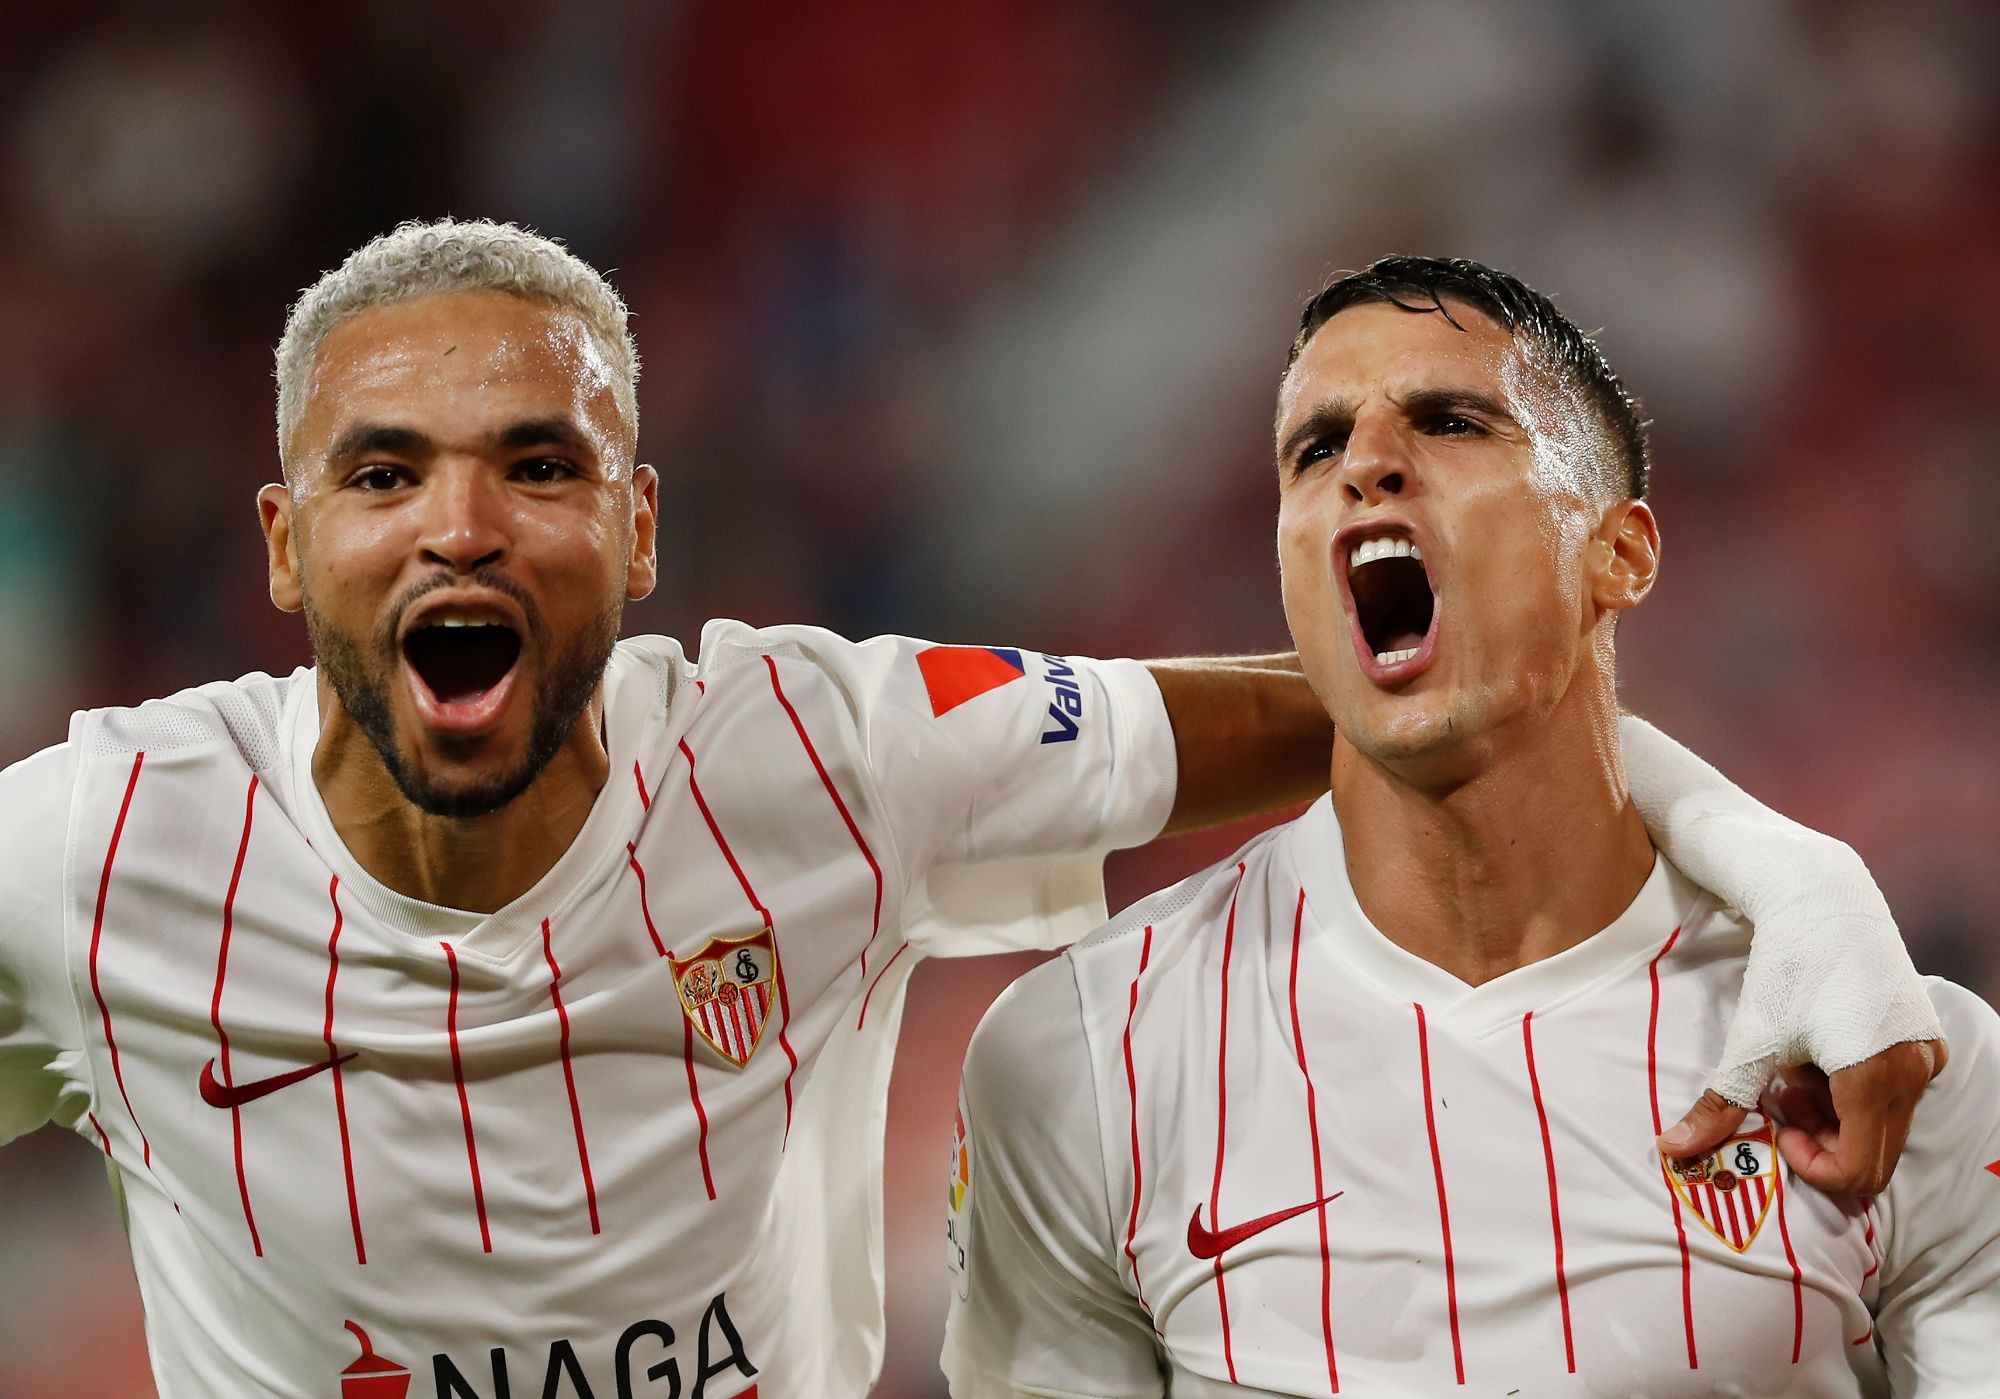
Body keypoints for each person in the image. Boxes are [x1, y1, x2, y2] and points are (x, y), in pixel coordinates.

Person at [0, 225, 1940, 1399]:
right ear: (282, 543)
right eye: (381, 474)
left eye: (538, 464)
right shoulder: (94, 852)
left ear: (642, 527)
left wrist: (1786, 871)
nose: (460, 524)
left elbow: (1416, 696)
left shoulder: (819, 755)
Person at [941, 257, 1991, 1398]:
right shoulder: (1085, 1059)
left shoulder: (1886, 1062)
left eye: (1449, 421)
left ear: (1620, 553)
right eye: (1316, 448)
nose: (1366, 464)